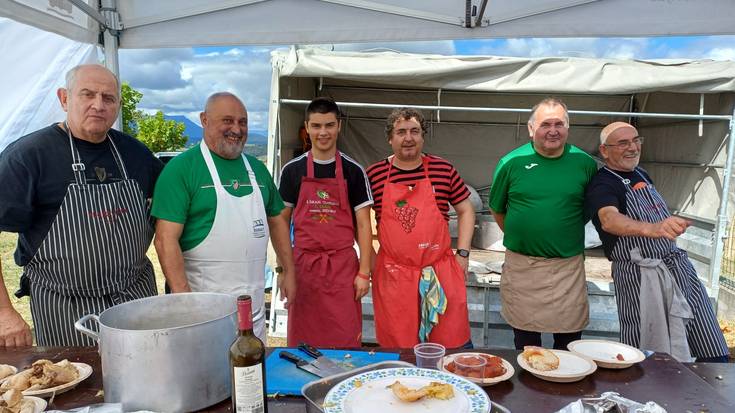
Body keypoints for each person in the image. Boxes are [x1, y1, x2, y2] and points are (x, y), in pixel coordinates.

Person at [0, 64, 162, 347]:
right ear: (64, 98)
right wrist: (3, 313)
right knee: (78, 386)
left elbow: (174, 210)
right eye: (87, 95)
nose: (98, 105)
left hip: (135, 300)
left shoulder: (135, 154)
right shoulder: (28, 156)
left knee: (148, 381)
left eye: (108, 98)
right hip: (64, 307)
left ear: (118, 105)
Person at [152, 92, 296, 342]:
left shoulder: (258, 170)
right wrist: (184, 301)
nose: (236, 129)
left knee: (250, 375)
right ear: (204, 120)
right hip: (201, 314)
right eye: (227, 121)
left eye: (242, 122)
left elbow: (278, 222)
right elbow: (165, 241)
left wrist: (287, 271)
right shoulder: (181, 170)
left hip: (252, 311)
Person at [585, 121, 729, 362]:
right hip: (641, 276)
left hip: (677, 268)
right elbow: (609, 220)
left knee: (706, 335)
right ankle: (648, 394)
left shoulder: (641, 173)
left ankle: (712, 384)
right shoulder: (603, 183)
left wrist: (669, 225)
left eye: (636, 140)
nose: (632, 147)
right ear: (604, 150)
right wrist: (652, 228)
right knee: (647, 346)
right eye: (623, 143)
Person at [488, 97, 597, 350]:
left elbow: (589, 209)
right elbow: (497, 209)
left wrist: (558, 232)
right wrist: (525, 235)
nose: (553, 130)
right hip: (523, 267)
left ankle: (567, 387)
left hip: (567, 268)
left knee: (570, 344)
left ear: (568, 128)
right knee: (527, 346)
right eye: (545, 124)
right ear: (530, 129)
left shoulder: (585, 164)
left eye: (559, 124)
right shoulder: (510, 163)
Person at [366, 107, 474, 348]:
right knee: (400, 348)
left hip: (440, 271)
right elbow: (360, 222)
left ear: (422, 136)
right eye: (401, 132)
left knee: (451, 344)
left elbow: (466, 210)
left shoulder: (443, 169)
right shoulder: (374, 174)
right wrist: (370, 259)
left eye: (414, 131)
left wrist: (463, 254)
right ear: (390, 138)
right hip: (394, 275)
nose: (408, 138)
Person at [278, 97, 373, 347]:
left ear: (338, 126)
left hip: (342, 268)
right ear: (307, 127)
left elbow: (364, 225)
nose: (323, 132)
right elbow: (279, 224)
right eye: (317, 126)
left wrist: (364, 272)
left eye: (329, 125)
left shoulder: (354, 171)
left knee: (345, 336)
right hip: (304, 268)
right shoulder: (292, 171)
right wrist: (283, 270)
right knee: (303, 341)